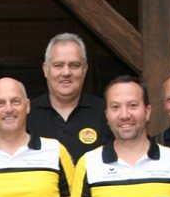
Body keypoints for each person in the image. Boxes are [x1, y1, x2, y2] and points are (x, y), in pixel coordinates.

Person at [27, 33, 111, 163]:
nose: (66, 72)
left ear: (85, 69)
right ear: (45, 69)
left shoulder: (106, 113)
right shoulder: (27, 115)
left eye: (74, 65)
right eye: (58, 65)